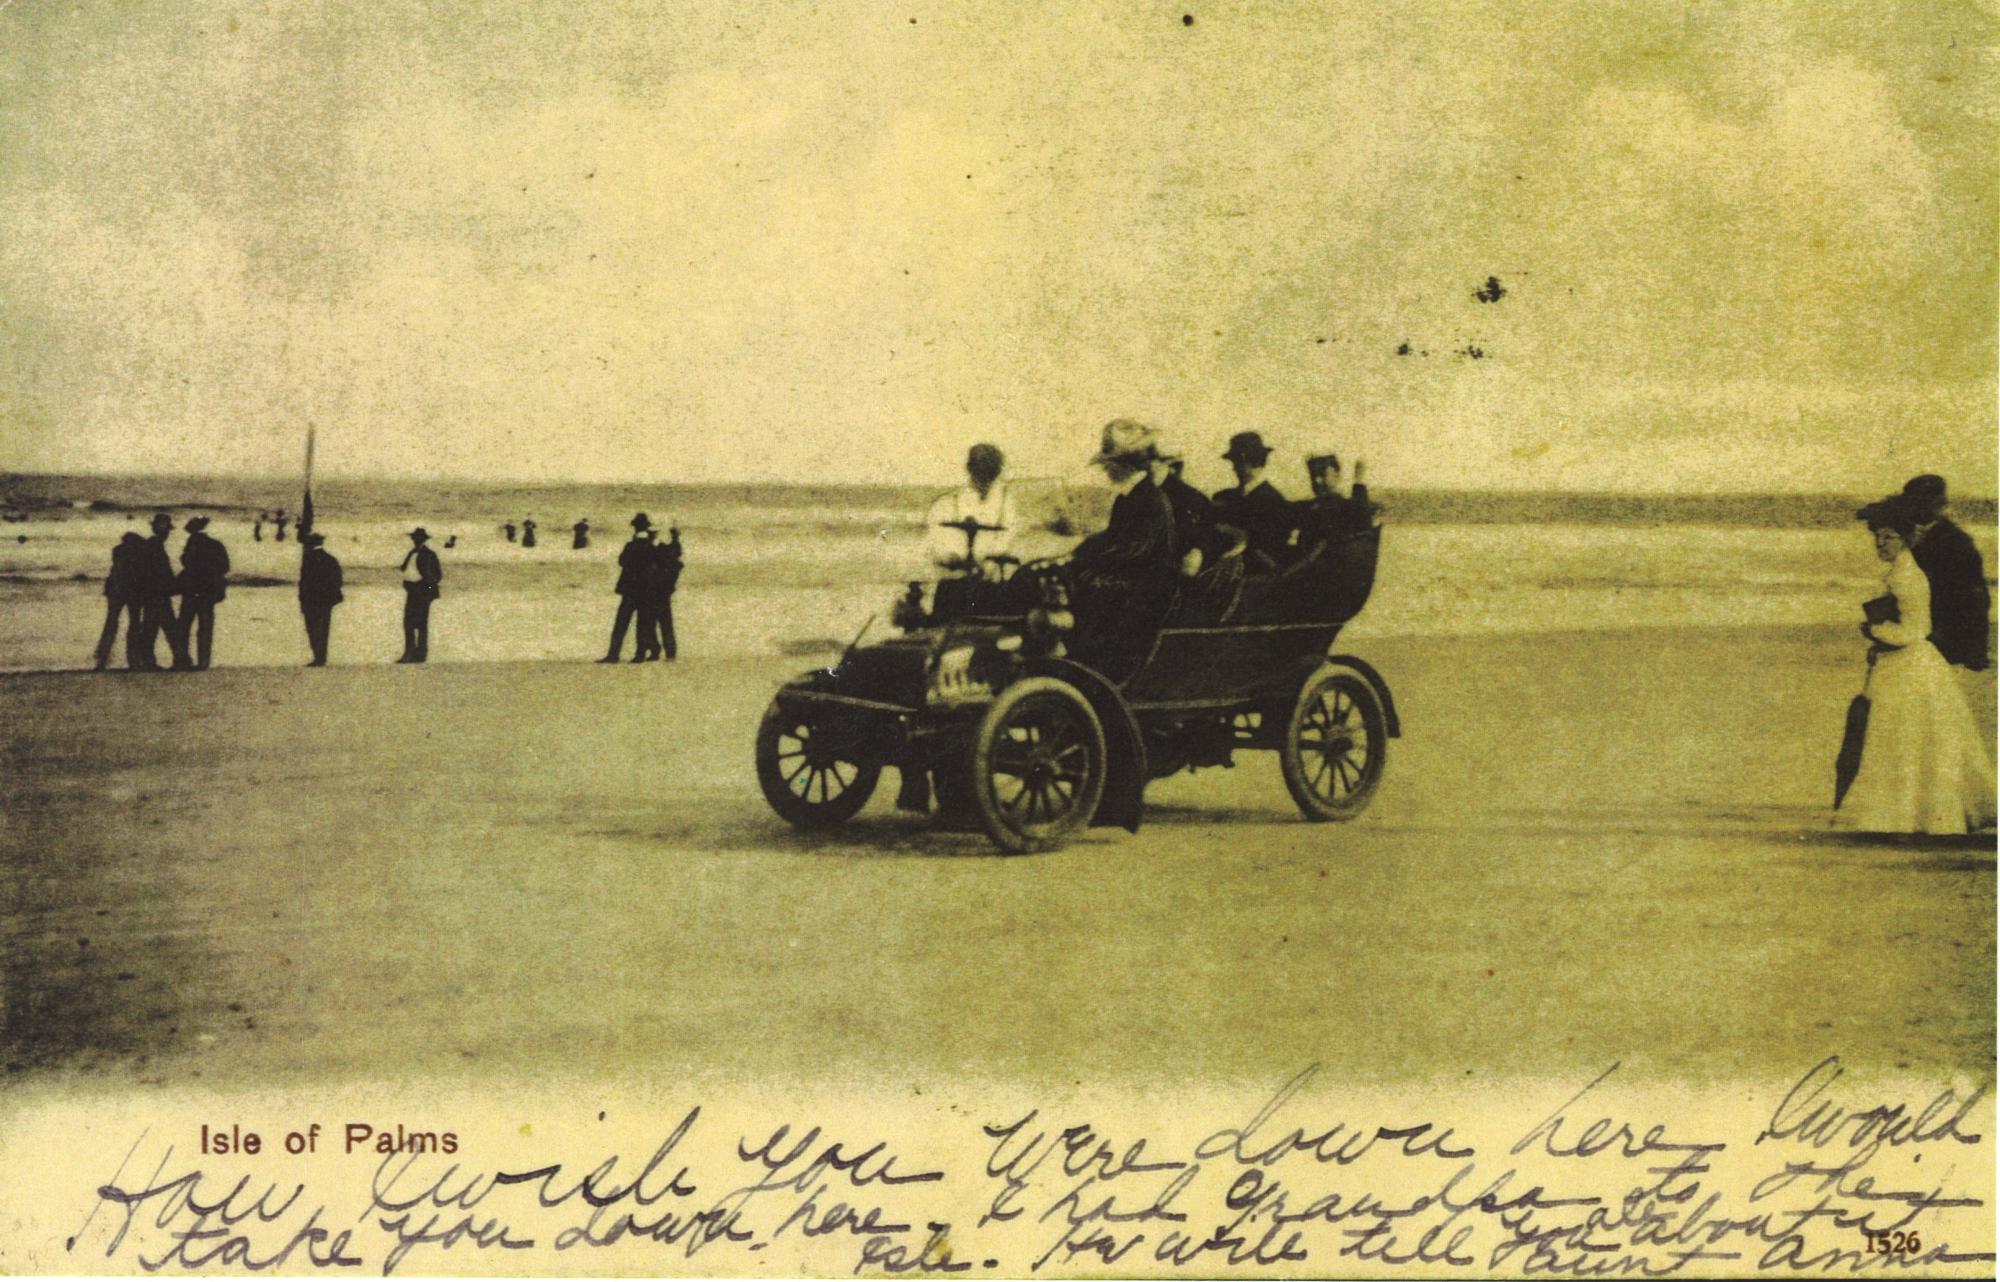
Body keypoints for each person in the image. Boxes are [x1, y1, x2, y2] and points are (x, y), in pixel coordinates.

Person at [1836, 497, 1995, 835]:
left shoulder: (1905, 576)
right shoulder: (1901, 571)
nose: (1881, 544)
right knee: (1911, 740)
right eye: (1877, 537)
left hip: (1910, 665)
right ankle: (1912, 815)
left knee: (1904, 739)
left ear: (1906, 538)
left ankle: (1905, 816)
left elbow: (1915, 630)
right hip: (1907, 664)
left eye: (1889, 537)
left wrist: (1874, 631)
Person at [1068, 420, 1179, 675]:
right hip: (1132, 580)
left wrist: (1089, 562)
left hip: (1148, 590)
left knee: (1088, 587)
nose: (1106, 470)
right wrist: (1078, 551)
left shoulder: (1152, 499)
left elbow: (1134, 550)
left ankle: (1092, 665)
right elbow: (1111, 539)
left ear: (1125, 465)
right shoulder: (1126, 499)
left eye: (1110, 464)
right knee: (1072, 580)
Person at [1901, 474, 1991, 676]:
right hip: (1917, 634)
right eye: (1913, 501)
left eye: (1924, 501)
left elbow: (1974, 598)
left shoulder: (1957, 542)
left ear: (1938, 503)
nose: (1916, 507)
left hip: (1943, 637)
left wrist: (1975, 651)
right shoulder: (1903, 537)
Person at [1211, 431, 1298, 569]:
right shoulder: (1225, 496)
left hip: (1256, 572)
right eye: (1234, 462)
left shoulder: (1273, 501)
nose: (1234, 468)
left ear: (1257, 462)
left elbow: (1270, 546)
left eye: (1240, 462)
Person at [925, 443, 1015, 574]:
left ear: (997, 473)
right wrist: (951, 556)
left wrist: (989, 562)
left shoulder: (1005, 502)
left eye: (990, 473)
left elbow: (1007, 537)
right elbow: (938, 542)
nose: (985, 480)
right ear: (970, 469)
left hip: (992, 575)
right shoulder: (948, 504)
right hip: (956, 575)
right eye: (980, 472)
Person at [130, 512, 189, 671]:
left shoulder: (151, 545)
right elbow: (160, 572)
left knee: (152, 628)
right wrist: (173, 585)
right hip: (158, 593)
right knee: (167, 628)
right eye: (166, 529)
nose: (167, 533)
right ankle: (178, 661)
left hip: (152, 593)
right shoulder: (155, 546)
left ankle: (150, 661)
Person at [174, 515, 230, 670]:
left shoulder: (192, 544)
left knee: (184, 625)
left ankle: (183, 660)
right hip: (208, 591)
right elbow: (225, 567)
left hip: (191, 590)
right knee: (205, 626)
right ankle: (203, 661)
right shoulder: (216, 544)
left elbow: (186, 563)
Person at [600, 514, 658, 663]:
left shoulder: (631, 545)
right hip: (646, 589)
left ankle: (613, 654)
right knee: (643, 623)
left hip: (630, 589)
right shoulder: (651, 546)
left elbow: (622, 561)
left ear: (635, 528)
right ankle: (640, 654)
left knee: (621, 622)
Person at [92, 532, 144, 671]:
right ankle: (133, 659)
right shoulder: (138, 552)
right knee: (134, 623)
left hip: (115, 590)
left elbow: (116, 572)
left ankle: (102, 659)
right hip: (132, 591)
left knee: (111, 623)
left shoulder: (118, 551)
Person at [1299, 453, 1380, 542]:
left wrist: (1358, 483)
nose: (1317, 480)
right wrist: (1358, 482)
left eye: (1322, 474)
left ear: (1337, 476)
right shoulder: (1308, 509)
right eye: (1314, 476)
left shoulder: (1348, 508)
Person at [397, 527, 443, 663]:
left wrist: (426, 589)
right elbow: (405, 569)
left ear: (422, 540)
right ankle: (411, 652)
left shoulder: (428, 554)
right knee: (409, 623)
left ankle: (419, 654)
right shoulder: (412, 553)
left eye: (416, 538)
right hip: (413, 590)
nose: (414, 540)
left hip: (421, 592)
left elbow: (437, 576)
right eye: (414, 538)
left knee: (419, 623)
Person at [298, 531, 343, 666]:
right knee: (323, 628)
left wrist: (302, 600)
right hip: (326, 600)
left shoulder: (308, 559)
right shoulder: (330, 559)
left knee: (312, 628)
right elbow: (337, 580)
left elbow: (304, 582)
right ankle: (321, 657)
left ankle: (318, 657)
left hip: (311, 600)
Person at [653, 525, 684, 661]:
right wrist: (675, 538)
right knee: (666, 623)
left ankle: (656, 650)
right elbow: (673, 547)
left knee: (652, 622)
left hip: (658, 592)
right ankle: (670, 653)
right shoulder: (675, 564)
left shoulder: (666, 560)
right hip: (665, 593)